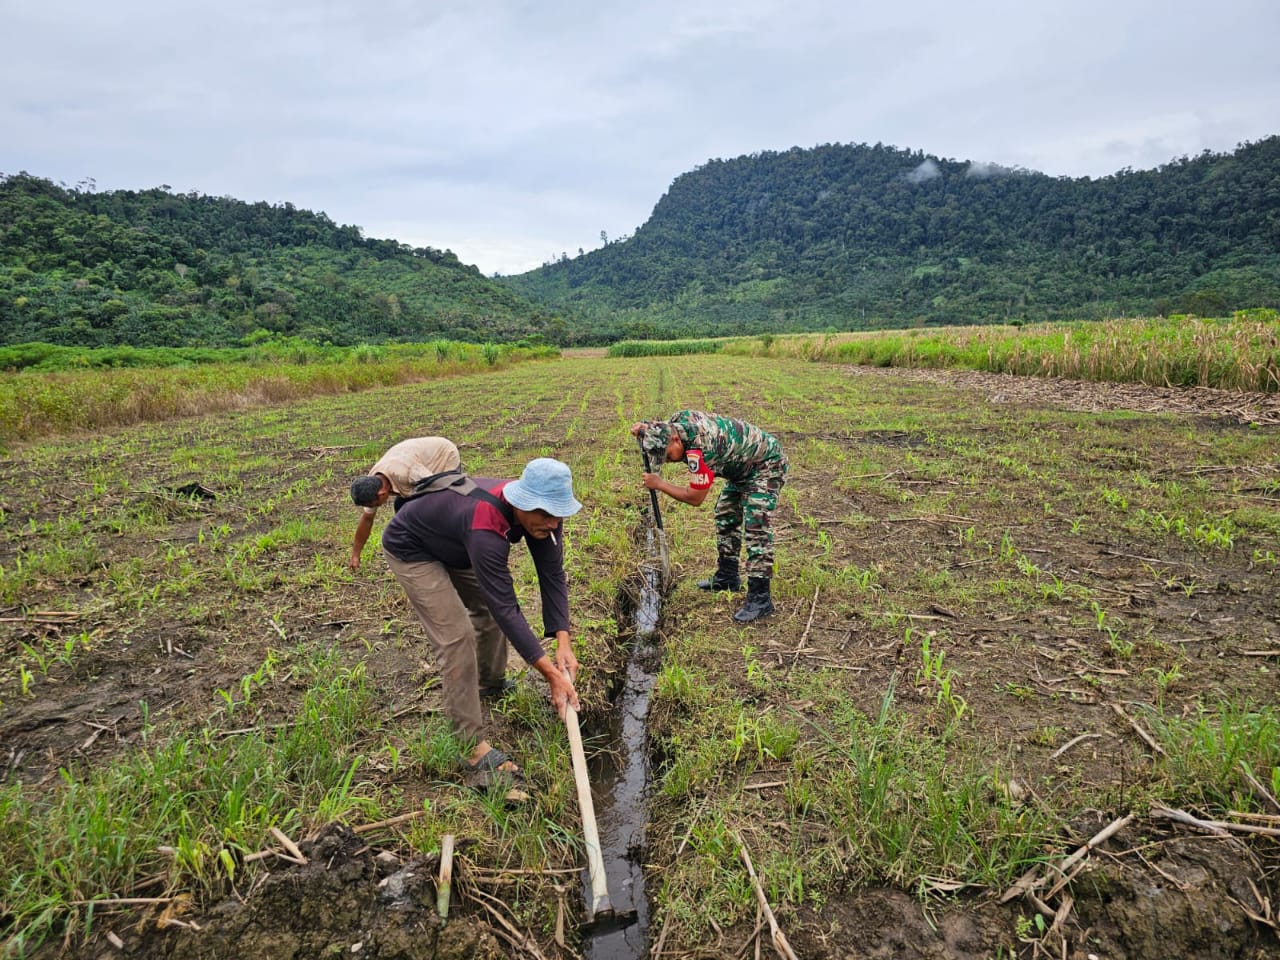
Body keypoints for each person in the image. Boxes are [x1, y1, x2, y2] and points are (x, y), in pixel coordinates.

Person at [380, 457, 583, 782]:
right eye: (545, 514)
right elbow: (506, 607)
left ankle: (489, 682)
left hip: (456, 542)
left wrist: (563, 640)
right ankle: (472, 748)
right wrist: (551, 675)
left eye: (559, 514)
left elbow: (552, 574)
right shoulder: (487, 527)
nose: (553, 522)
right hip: (413, 548)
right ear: (521, 502)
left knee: (486, 613)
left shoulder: (545, 520)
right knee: (456, 637)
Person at [632, 411, 788, 623]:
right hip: (740, 467)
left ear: (676, 440)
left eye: (667, 455)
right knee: (725, 513)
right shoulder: (676, 423)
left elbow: (695, 498)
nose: (667, 461)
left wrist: (659, 484)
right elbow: (660, 428)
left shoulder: (700, 450)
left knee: (755, 527)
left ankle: (760, 598)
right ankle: (728, 576)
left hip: (765, 464)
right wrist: (645, 429)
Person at [349, 437, 460, 570]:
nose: (372, 508)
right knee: (405, 509)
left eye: (374, 505)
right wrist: (355, 554)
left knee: (437, 508)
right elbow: (367, 519)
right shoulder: (372, 482)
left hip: (444, 455)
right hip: (411, 455)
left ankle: (450, 551)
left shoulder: (409, 473)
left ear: (382, 494)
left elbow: (436, 490)